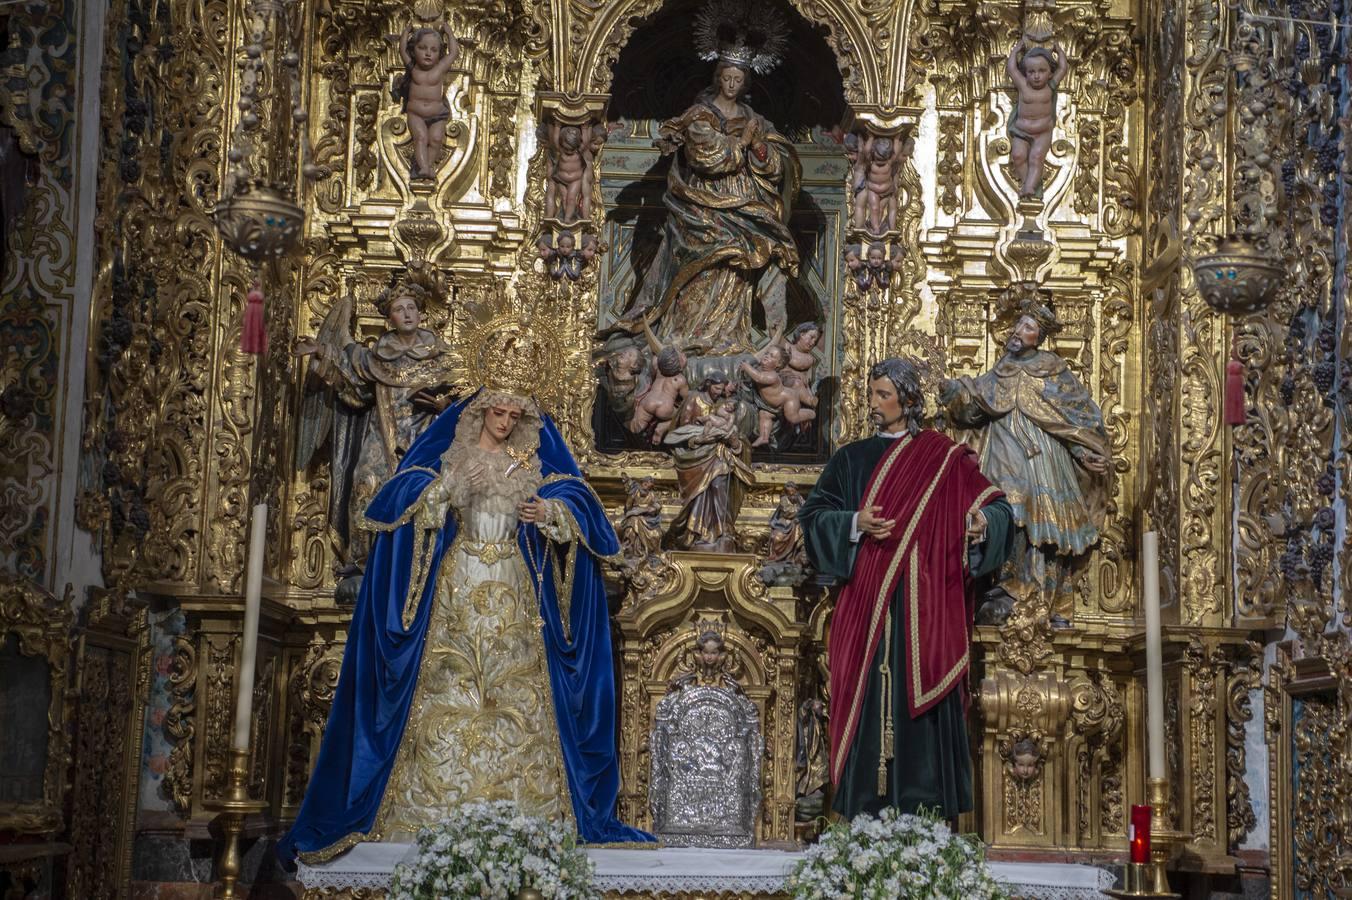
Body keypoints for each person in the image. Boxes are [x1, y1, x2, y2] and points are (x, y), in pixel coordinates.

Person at [279, 337, 652, 862]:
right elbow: (405, 496)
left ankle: (528, 810)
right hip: (460, 580)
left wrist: (550, 514)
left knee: (516, 688)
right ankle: (431, 809)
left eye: (512, 413)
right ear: (478, 411)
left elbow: (575, 495)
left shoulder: (532, 458)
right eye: (495, 411)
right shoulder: (452, 455)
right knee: (451, 685)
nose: (502, 421)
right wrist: (447, 488)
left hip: (516, 584)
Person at [799, 357, 1014, 823]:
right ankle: (861, 812)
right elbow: (812, 519)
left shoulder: (943, 457)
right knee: (865, 701)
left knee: (924, 710)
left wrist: (980, 524)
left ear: (909, 400)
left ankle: (926, 814)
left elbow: (998, 510)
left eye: (883, 394)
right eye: (871, 394)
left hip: (926, 608)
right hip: (867, 604)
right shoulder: (851, 459)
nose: (873, 403)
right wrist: (855, 523)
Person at [602, 49, 799, 355]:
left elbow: (775, 167)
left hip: (743, 207)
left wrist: (759, 146)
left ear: (745, 82)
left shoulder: (755, 120)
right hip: (701, 205)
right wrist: (743, 143)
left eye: (738, 79)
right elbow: (706, 156)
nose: (732, 84)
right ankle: (685, 338)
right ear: (718, 78)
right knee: (697, 269)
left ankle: (728, 340)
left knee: (735, 271)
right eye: (727, 77)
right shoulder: (700, 115)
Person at [939, 301, 1109, 623]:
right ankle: (1009, 587)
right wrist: (954, 393)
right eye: (1019, 325)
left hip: (1046, 458)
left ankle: (1049, 596)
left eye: (1028, 327)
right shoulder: (1001, 369)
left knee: (1047, 524)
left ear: (1039, 337)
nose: (1018, 331)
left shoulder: (1053, 370)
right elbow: (975, 408)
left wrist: (1082, 453)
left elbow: (1070, 419)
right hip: (1003, 451)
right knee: (1009, 512)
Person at [294, 279, 456, 570]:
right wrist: (321, 352)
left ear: (421, 313)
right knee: (365, 485)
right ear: (389, 317)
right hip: (382, 435)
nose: (406, 314)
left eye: (411, 308)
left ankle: (428, 562)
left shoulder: (444, 356)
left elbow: (465, 395)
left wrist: (446, 405)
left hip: (427, 437)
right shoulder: (374, 357)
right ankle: (366, 563)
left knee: (432, 493)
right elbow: (353, 388)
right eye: (399, 309)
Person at [392, 21, 460, 179]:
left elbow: (453, 53)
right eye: (422, 48)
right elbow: (402, 50)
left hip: (437, 114)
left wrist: (449, 33)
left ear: (439, 53)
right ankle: (423, 167)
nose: (428, 53)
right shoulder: (413, 68)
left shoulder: (440, 68)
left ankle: (426, 166)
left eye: (434, 50)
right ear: (414, 50)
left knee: (436, 140)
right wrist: (406, 32)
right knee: (421, 138)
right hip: (415, 113)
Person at [1006, 38, 1068, 199]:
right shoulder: (1023, 85)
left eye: (1042, 71)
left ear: (1050, 73)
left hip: (1042, 132)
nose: (1036, 76)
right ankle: (1029, 183)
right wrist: (1016, 50)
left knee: (1036, 157)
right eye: (1031, 72)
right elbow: (1012, 69)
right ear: (1025, 74)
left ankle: (1029, 187)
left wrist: (1059, 51)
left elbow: (1063, 68)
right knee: (1018, 156)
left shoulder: (1050, 87)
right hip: (1021, 130)